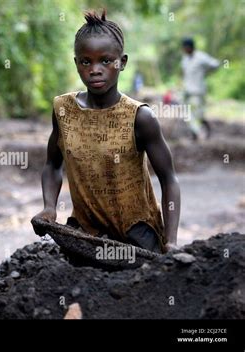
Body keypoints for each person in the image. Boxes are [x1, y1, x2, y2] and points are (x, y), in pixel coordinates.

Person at [32, 10, 180, 256]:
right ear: (77, 63)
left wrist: (172, 241)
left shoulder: (139, 117)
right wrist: (49, 207)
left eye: (105, 60)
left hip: (137, 236)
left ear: (122, 62)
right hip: (86, 235)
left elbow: (169, 179)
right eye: (86, 61)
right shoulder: (63, 110)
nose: (95, 69)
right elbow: (52, 165)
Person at [181, 37, 220, 140]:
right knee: (187, 112)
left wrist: (206, 72)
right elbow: (185, 74)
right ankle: (196, 132)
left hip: (197, 92)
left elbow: (215, 64)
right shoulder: (185, 59)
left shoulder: (201, 57)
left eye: (185, 48)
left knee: (197, 113)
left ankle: (200, 133)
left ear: (190, 47)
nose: (184, 50)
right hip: (187, 91)